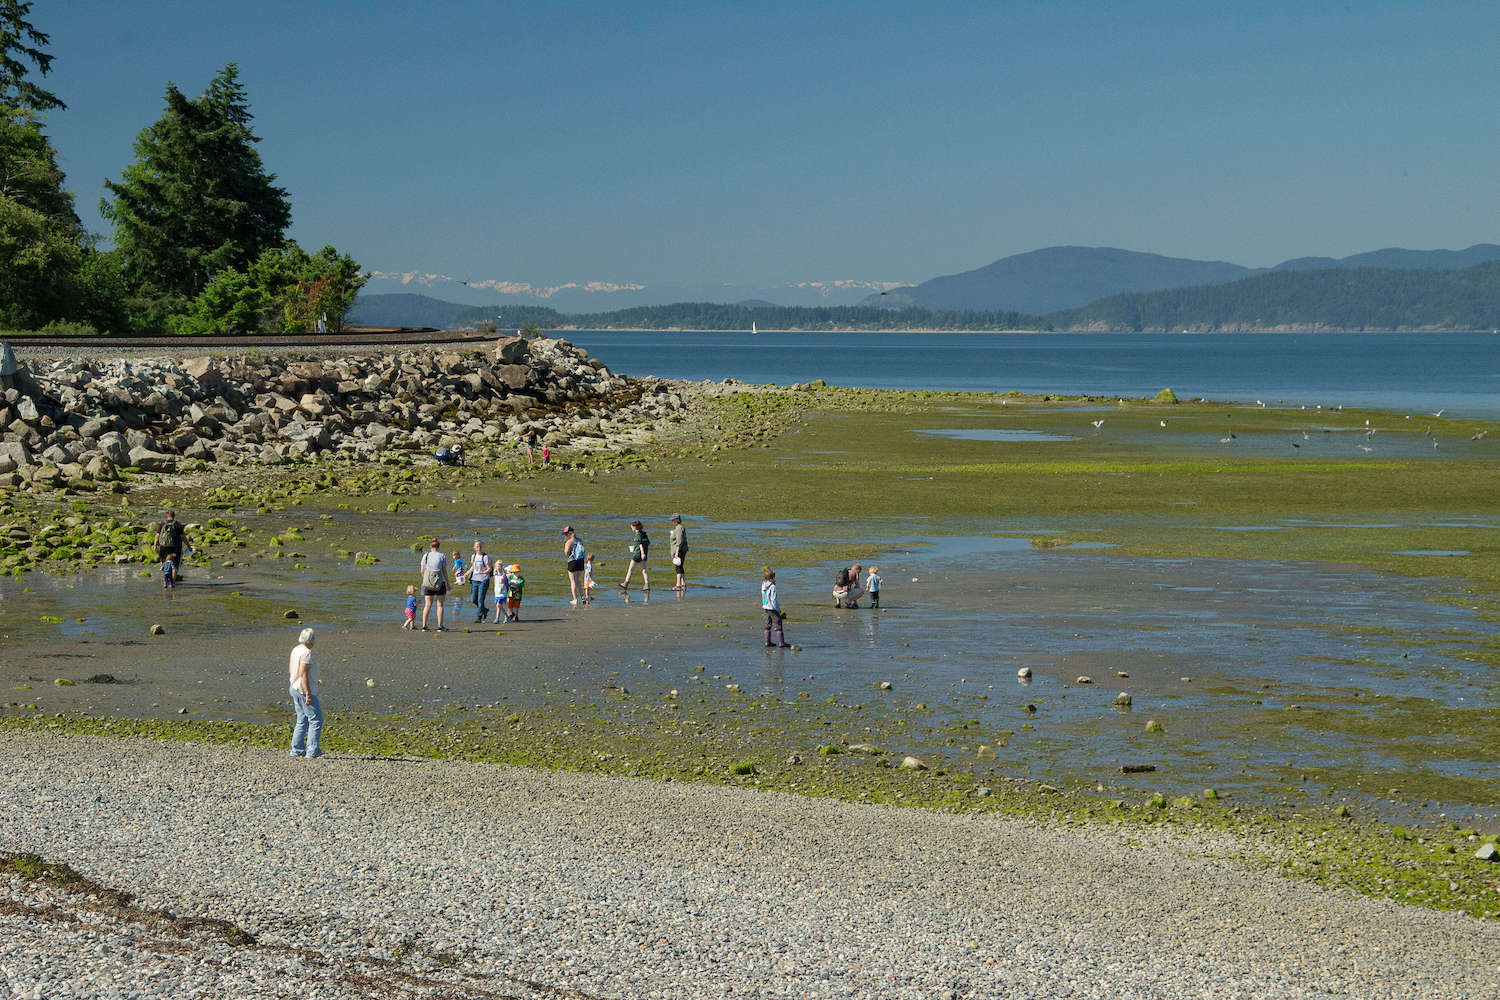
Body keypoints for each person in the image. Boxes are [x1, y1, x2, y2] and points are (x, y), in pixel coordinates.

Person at [288, 627, 322, 758]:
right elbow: (304, 674)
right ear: (311, 640)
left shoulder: (296, 649)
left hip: (294, 686)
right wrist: (308, 694)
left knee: (302, 718)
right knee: (316, 719)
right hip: (303, 689)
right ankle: (312, 750)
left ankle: (297, 749)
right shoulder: (307, 653)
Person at [154, 511, 191, 588]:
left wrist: (155, 546)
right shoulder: (177, 524)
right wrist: (188, 545)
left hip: (163, 547)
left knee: (165, 563)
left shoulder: (162, 524)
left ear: (167, 516)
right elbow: (183, 537)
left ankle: (166, 582)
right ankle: (172, 583)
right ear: (174, 516)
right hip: (175, 547)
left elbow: (157, 535)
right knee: (175, 565)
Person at [419, 538, 448, 631]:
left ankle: (424, 626)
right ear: (438, 546)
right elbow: (444, 571)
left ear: (430, 546)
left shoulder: (426, 555)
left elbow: (422, 571)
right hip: (440, 582)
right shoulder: (442, 556)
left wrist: (427, 579)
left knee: (427, 605)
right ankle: (440, 626)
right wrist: (447, 582)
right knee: (440, 605)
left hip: (427, 583)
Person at [762, 569, 790, 648]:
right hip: (772, 608)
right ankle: (781, 643)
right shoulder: (772, 587)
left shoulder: (763, 584)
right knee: (778, 624)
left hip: (765, 607)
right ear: (772, 578)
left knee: (768, 624)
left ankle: (767, 642)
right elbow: (773, 600)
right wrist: (778, 609)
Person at [620, 520, 650, 593]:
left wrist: (641, 553)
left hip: (637, 554)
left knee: (630, 570)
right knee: (644, 570)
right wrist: (644, 553)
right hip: (644, 554)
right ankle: (647, 585)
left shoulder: (637, 534)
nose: (631, 529)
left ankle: (625, 584)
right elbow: (648, 543)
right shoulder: (644, 534)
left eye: (632, 527)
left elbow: (640, 545)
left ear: (635, 527)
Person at [468, 540, 494, 623]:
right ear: (474, 547)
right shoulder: (473, 556)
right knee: (473, 599)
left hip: (484, 580)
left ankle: (479, 617)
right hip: (474, 580)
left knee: (480, 599)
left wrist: (483, 572)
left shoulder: (485, 557)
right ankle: (484, 610)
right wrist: (465, 574)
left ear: (481, 547)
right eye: (477, 546)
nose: (478, 547)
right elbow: (472, 567)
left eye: (479, 545)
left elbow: (489, 568)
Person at [563, 526, 586, 605]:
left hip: (572, 562)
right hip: (581, 562)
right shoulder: (580, 540)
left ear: (568, 534)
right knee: (578, 580)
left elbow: (566, 552)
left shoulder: (569, 542)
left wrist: (568, 551)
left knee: (573, 581)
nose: (565, 536)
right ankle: (583, 598)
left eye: (565, 534)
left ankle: (575, 599)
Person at [669, 514, 687, 592]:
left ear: (677, 520)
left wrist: (676, 553)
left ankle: (678, 585)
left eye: (673, 520)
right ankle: (683, 584)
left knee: (678, 567)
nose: (672, 521)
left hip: (679, 550)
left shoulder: (679, 528)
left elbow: (679, 542)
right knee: (680, 567)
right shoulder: (678, 528)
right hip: (681, 550)